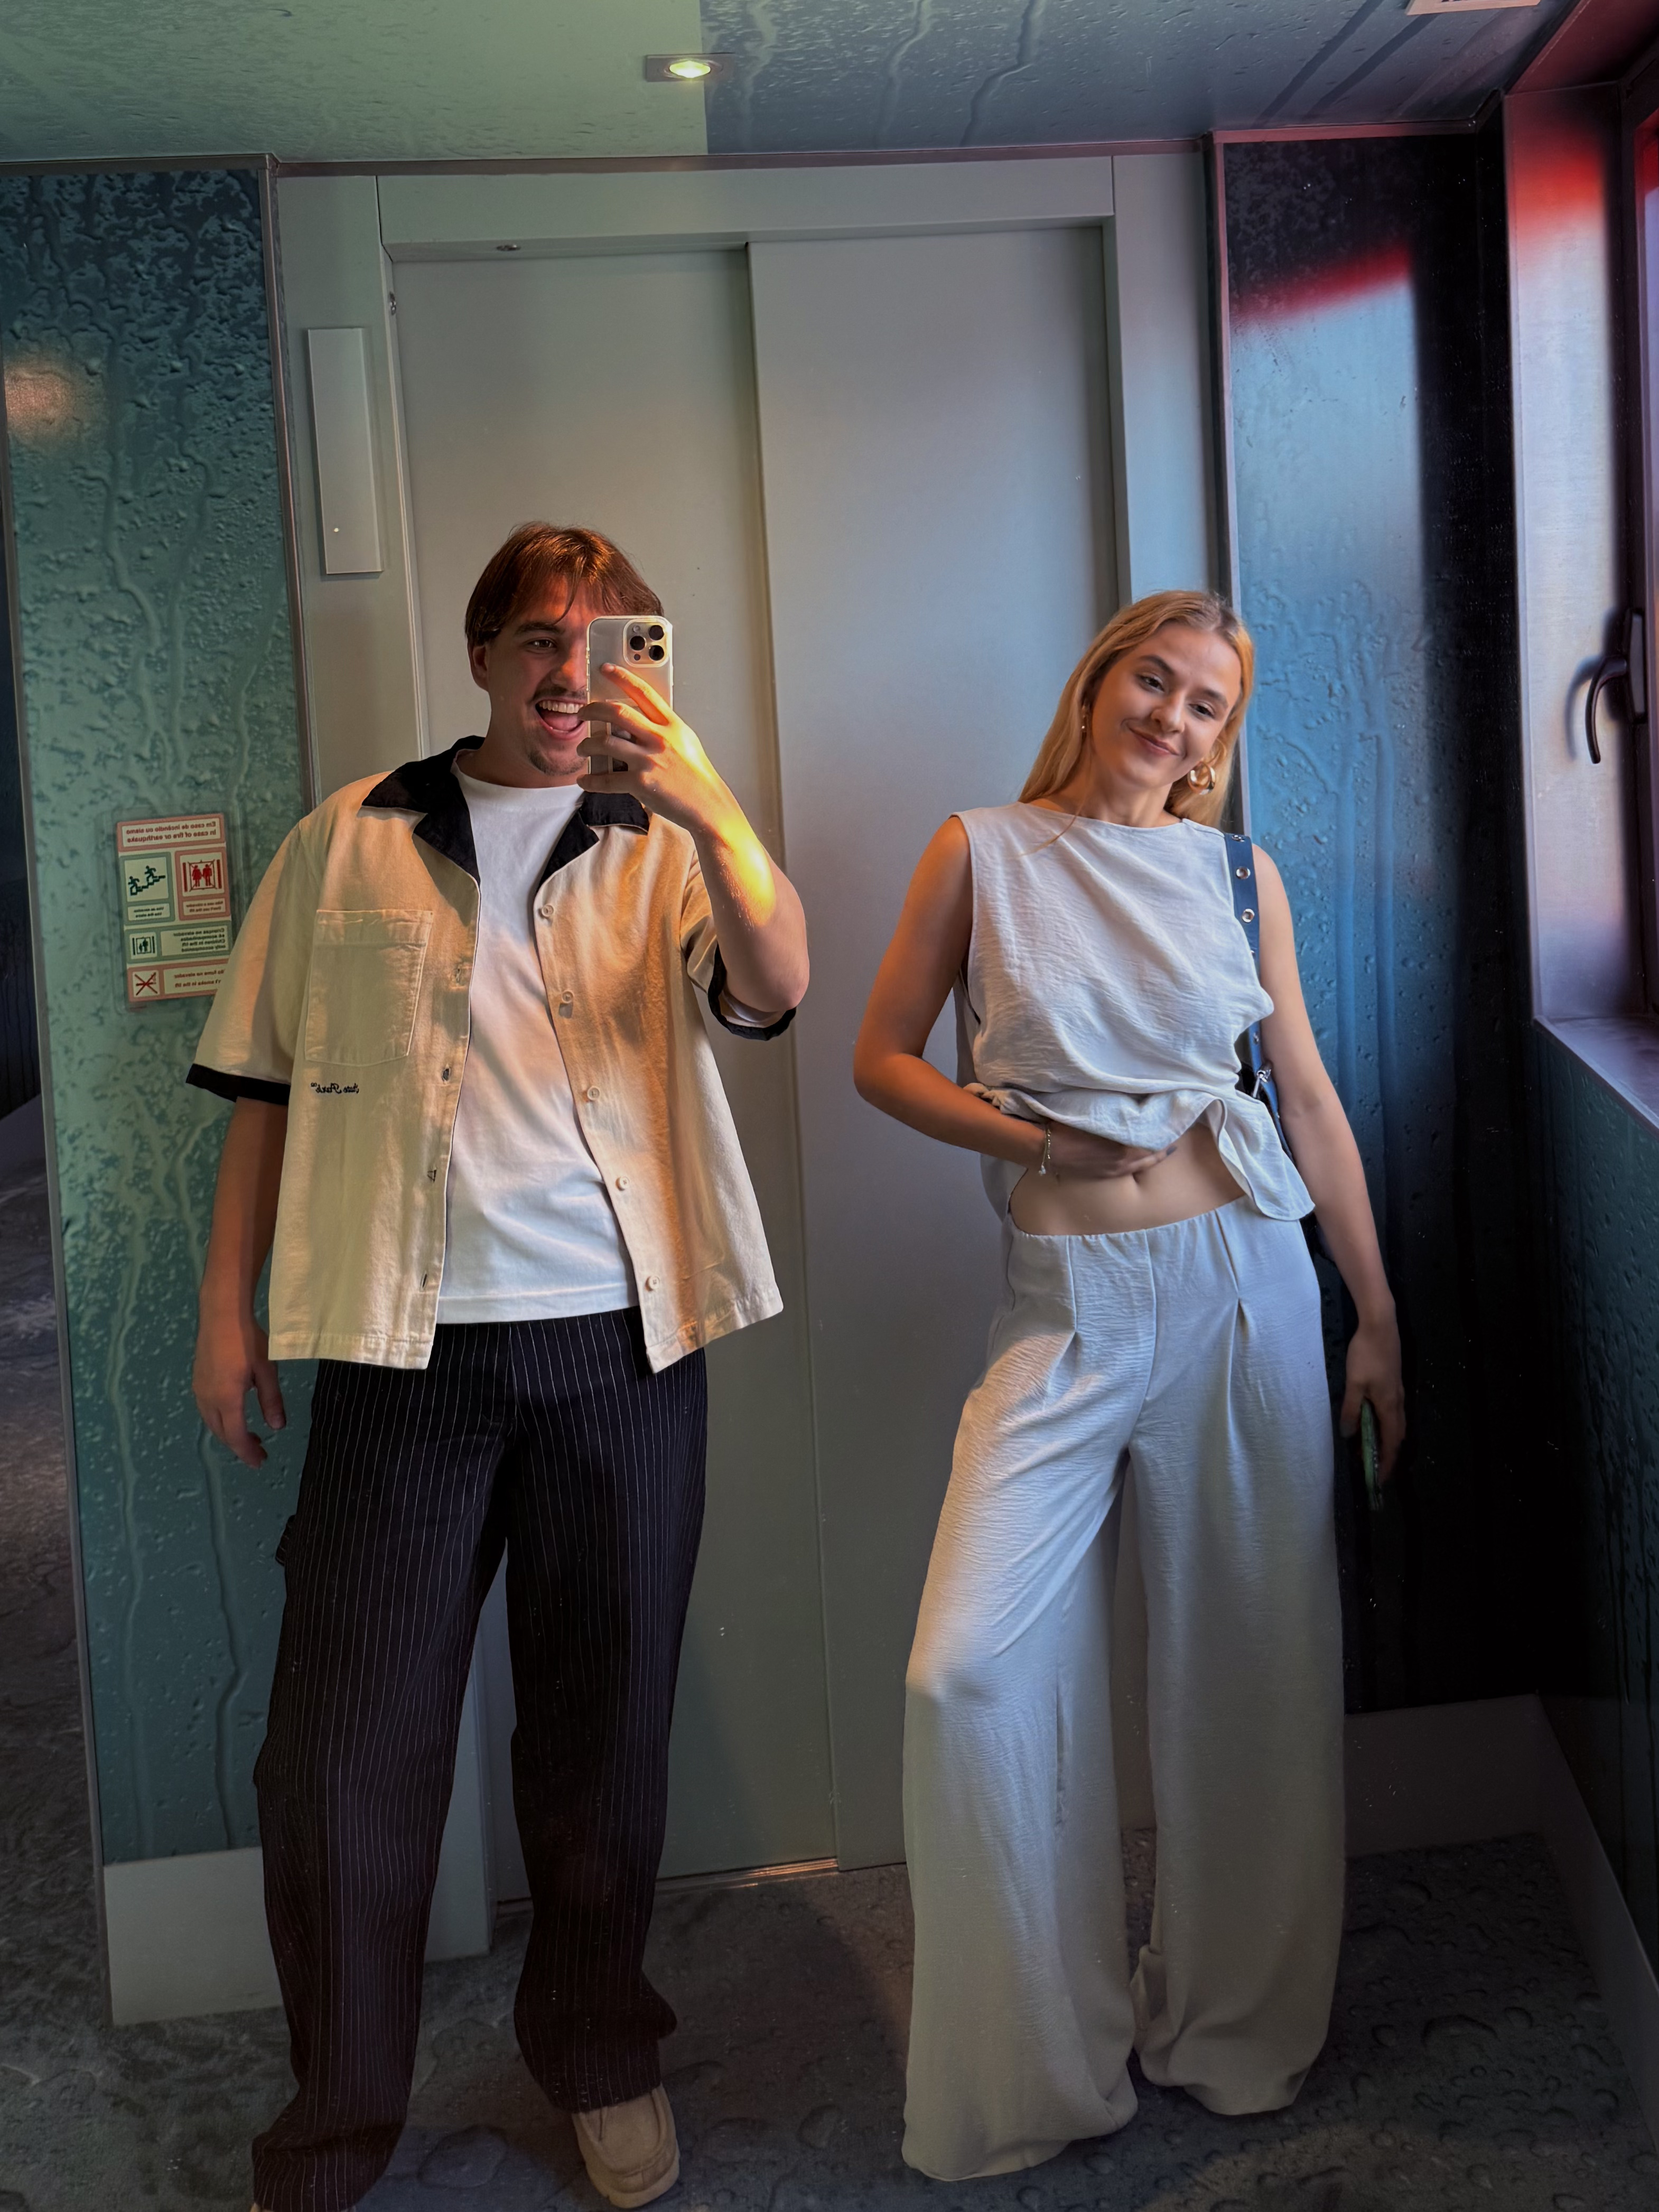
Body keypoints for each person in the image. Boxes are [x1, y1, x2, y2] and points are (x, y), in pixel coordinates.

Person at [189, 523, 808, 2212]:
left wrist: (711, 806)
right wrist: (227, 1313)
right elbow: (260, 1085)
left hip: (620, 1348)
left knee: (600, 1737)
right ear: (480, 654)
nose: (569, 674)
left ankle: (601, 2051)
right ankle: (334, 2126)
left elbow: (776, 986)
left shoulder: (664, 839)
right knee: (338, 1763)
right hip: (402, 1359)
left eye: (608, 644)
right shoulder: (351, 835)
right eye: (541, 637)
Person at [853, 590, 1404, 2182]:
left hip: (1244, 1285)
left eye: (1204, 702)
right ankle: (1037, 2068)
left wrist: (1374, 1313)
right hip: (1066, 1308)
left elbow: (1305, 1095)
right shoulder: (981, 851)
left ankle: (1233, 2028)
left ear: (1221, 740)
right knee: (964, 1674)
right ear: (1097, 685)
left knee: (1255, 1665)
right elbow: (883, 1057)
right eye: (1151, 680)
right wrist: (1037, 1137)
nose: (1171, 715)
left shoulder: (1237, 874)